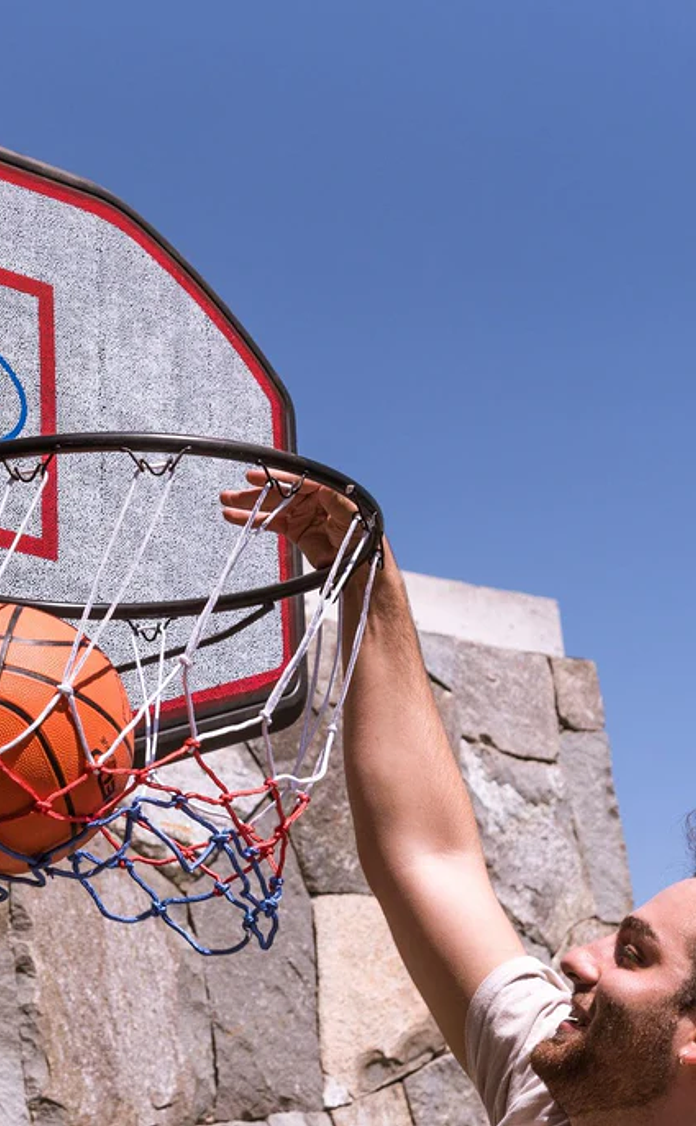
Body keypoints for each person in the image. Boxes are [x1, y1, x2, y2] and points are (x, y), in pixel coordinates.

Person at [220, 472, 696, 1125]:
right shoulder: (554, 1095)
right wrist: (366, 578)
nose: (574, 957)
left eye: (634, 956)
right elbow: (427, 856)